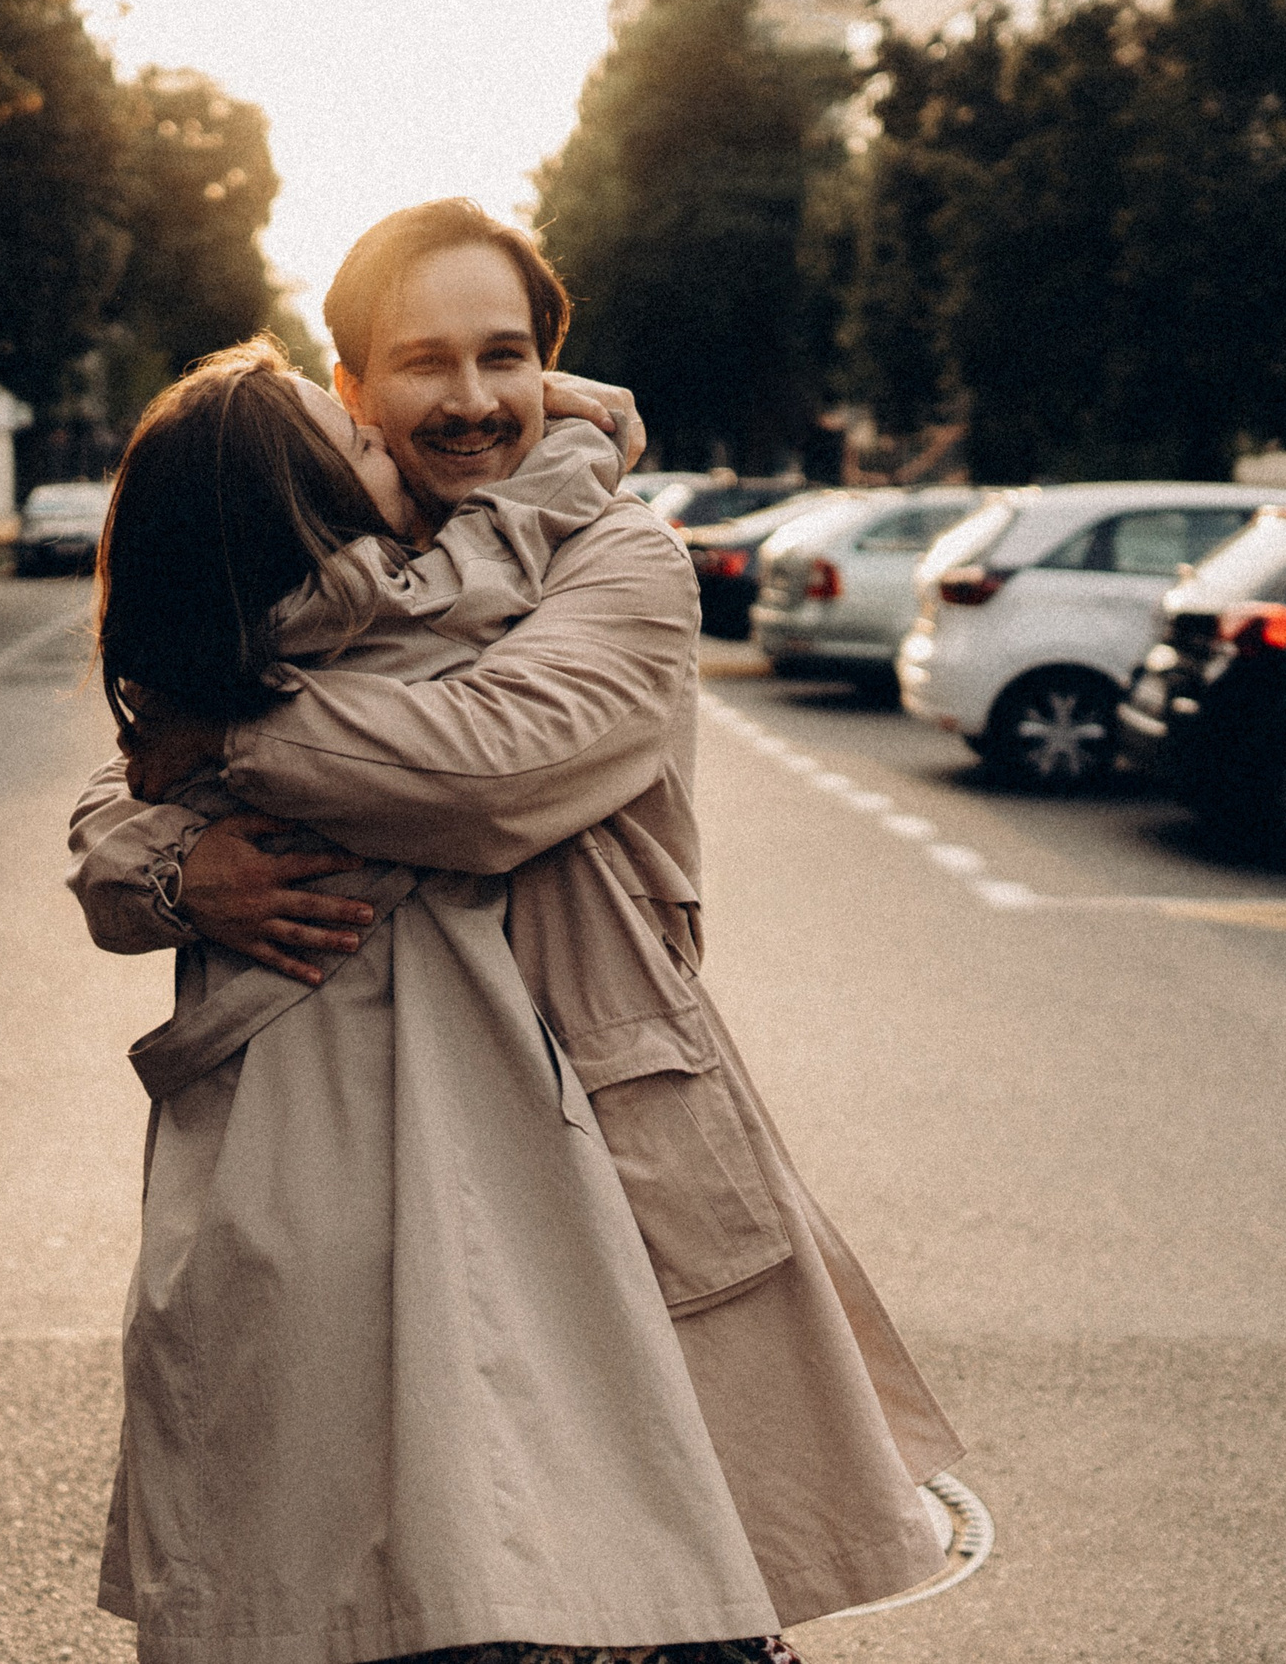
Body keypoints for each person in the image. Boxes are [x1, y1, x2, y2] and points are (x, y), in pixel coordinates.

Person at [73, 200, 962, 1640]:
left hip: (581, 1171)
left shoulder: (618, 566)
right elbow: (107, 826)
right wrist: (178, 869)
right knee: (341, 1598)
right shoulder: (297, 583)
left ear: (550, 372)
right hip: (321, 1189)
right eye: (426, 362)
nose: (474, 397)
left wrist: (211, 746)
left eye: (506, 357)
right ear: (352, 392)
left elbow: (482, 774)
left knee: (631, 1587)